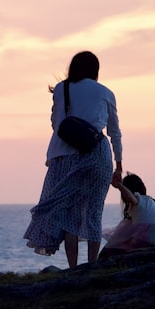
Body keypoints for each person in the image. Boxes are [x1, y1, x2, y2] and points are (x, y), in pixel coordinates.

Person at [23, 50, 123, 268]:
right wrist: (119, 165)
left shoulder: (61, 89)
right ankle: (93, 266)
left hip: (64, 155)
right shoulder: (106, 92)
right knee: (94, 212)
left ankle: (74, 268)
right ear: (95, 70)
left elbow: (55, 122)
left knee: (70, 217)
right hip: (97, 154)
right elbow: (114, 132)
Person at [102, 172, 155, 252]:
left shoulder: (140, 200)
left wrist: (119, 186)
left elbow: (132, 198)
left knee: (112, 248)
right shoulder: (151, 202)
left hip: (146, 238)